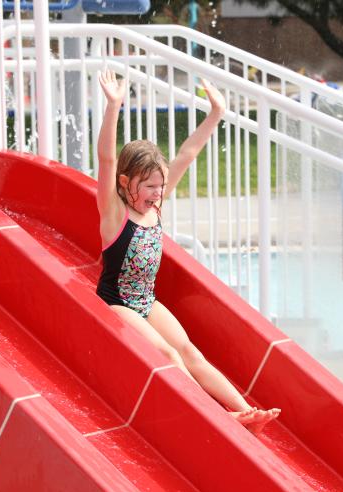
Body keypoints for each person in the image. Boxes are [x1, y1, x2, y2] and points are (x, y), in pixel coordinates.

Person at [95, 69, 281, 434]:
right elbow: (104, 159)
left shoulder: (154, 208)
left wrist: (216, 114)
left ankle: (247, 412)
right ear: (125, 183)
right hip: (114, 300)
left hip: (146, 300)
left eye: (160, 186)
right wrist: (113, 106)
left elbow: (187, 153)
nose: (157, 192)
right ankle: (214, 417)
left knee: (191, 352)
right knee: (167, 354)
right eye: (149, 186)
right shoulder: (115, 212)